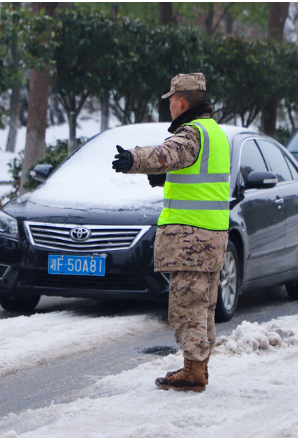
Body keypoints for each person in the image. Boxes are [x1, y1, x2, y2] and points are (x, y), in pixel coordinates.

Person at [111, 73, 230, 393]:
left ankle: (193, 371)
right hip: (213, 234)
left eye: (171, 103)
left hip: (191, 236)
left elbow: (168, 154)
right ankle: (197, 367)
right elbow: (199, 175)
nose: (170, 109)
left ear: (180, 102)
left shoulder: (191, 132)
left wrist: (132, 159)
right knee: (203, 304)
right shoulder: (215, 132)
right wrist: (164, 179)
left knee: (188, 304)